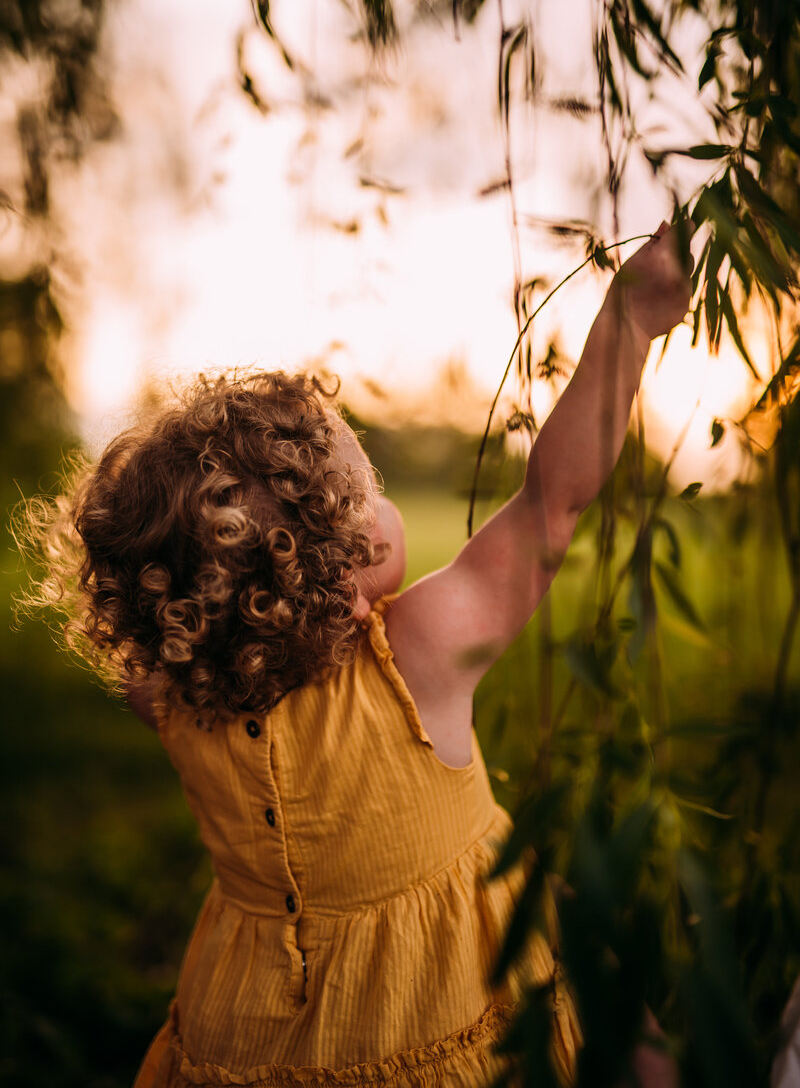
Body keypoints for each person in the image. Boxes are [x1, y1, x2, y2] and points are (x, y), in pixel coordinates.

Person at [19, 220, 692, 1087]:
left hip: (246, 1031)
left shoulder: (173, 699)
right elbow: (551, 502)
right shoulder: (421, 651)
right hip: (446, 1002)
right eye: (366, 484)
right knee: (609, 997)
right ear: (344, 559)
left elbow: (160, 648)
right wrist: (628, 321)